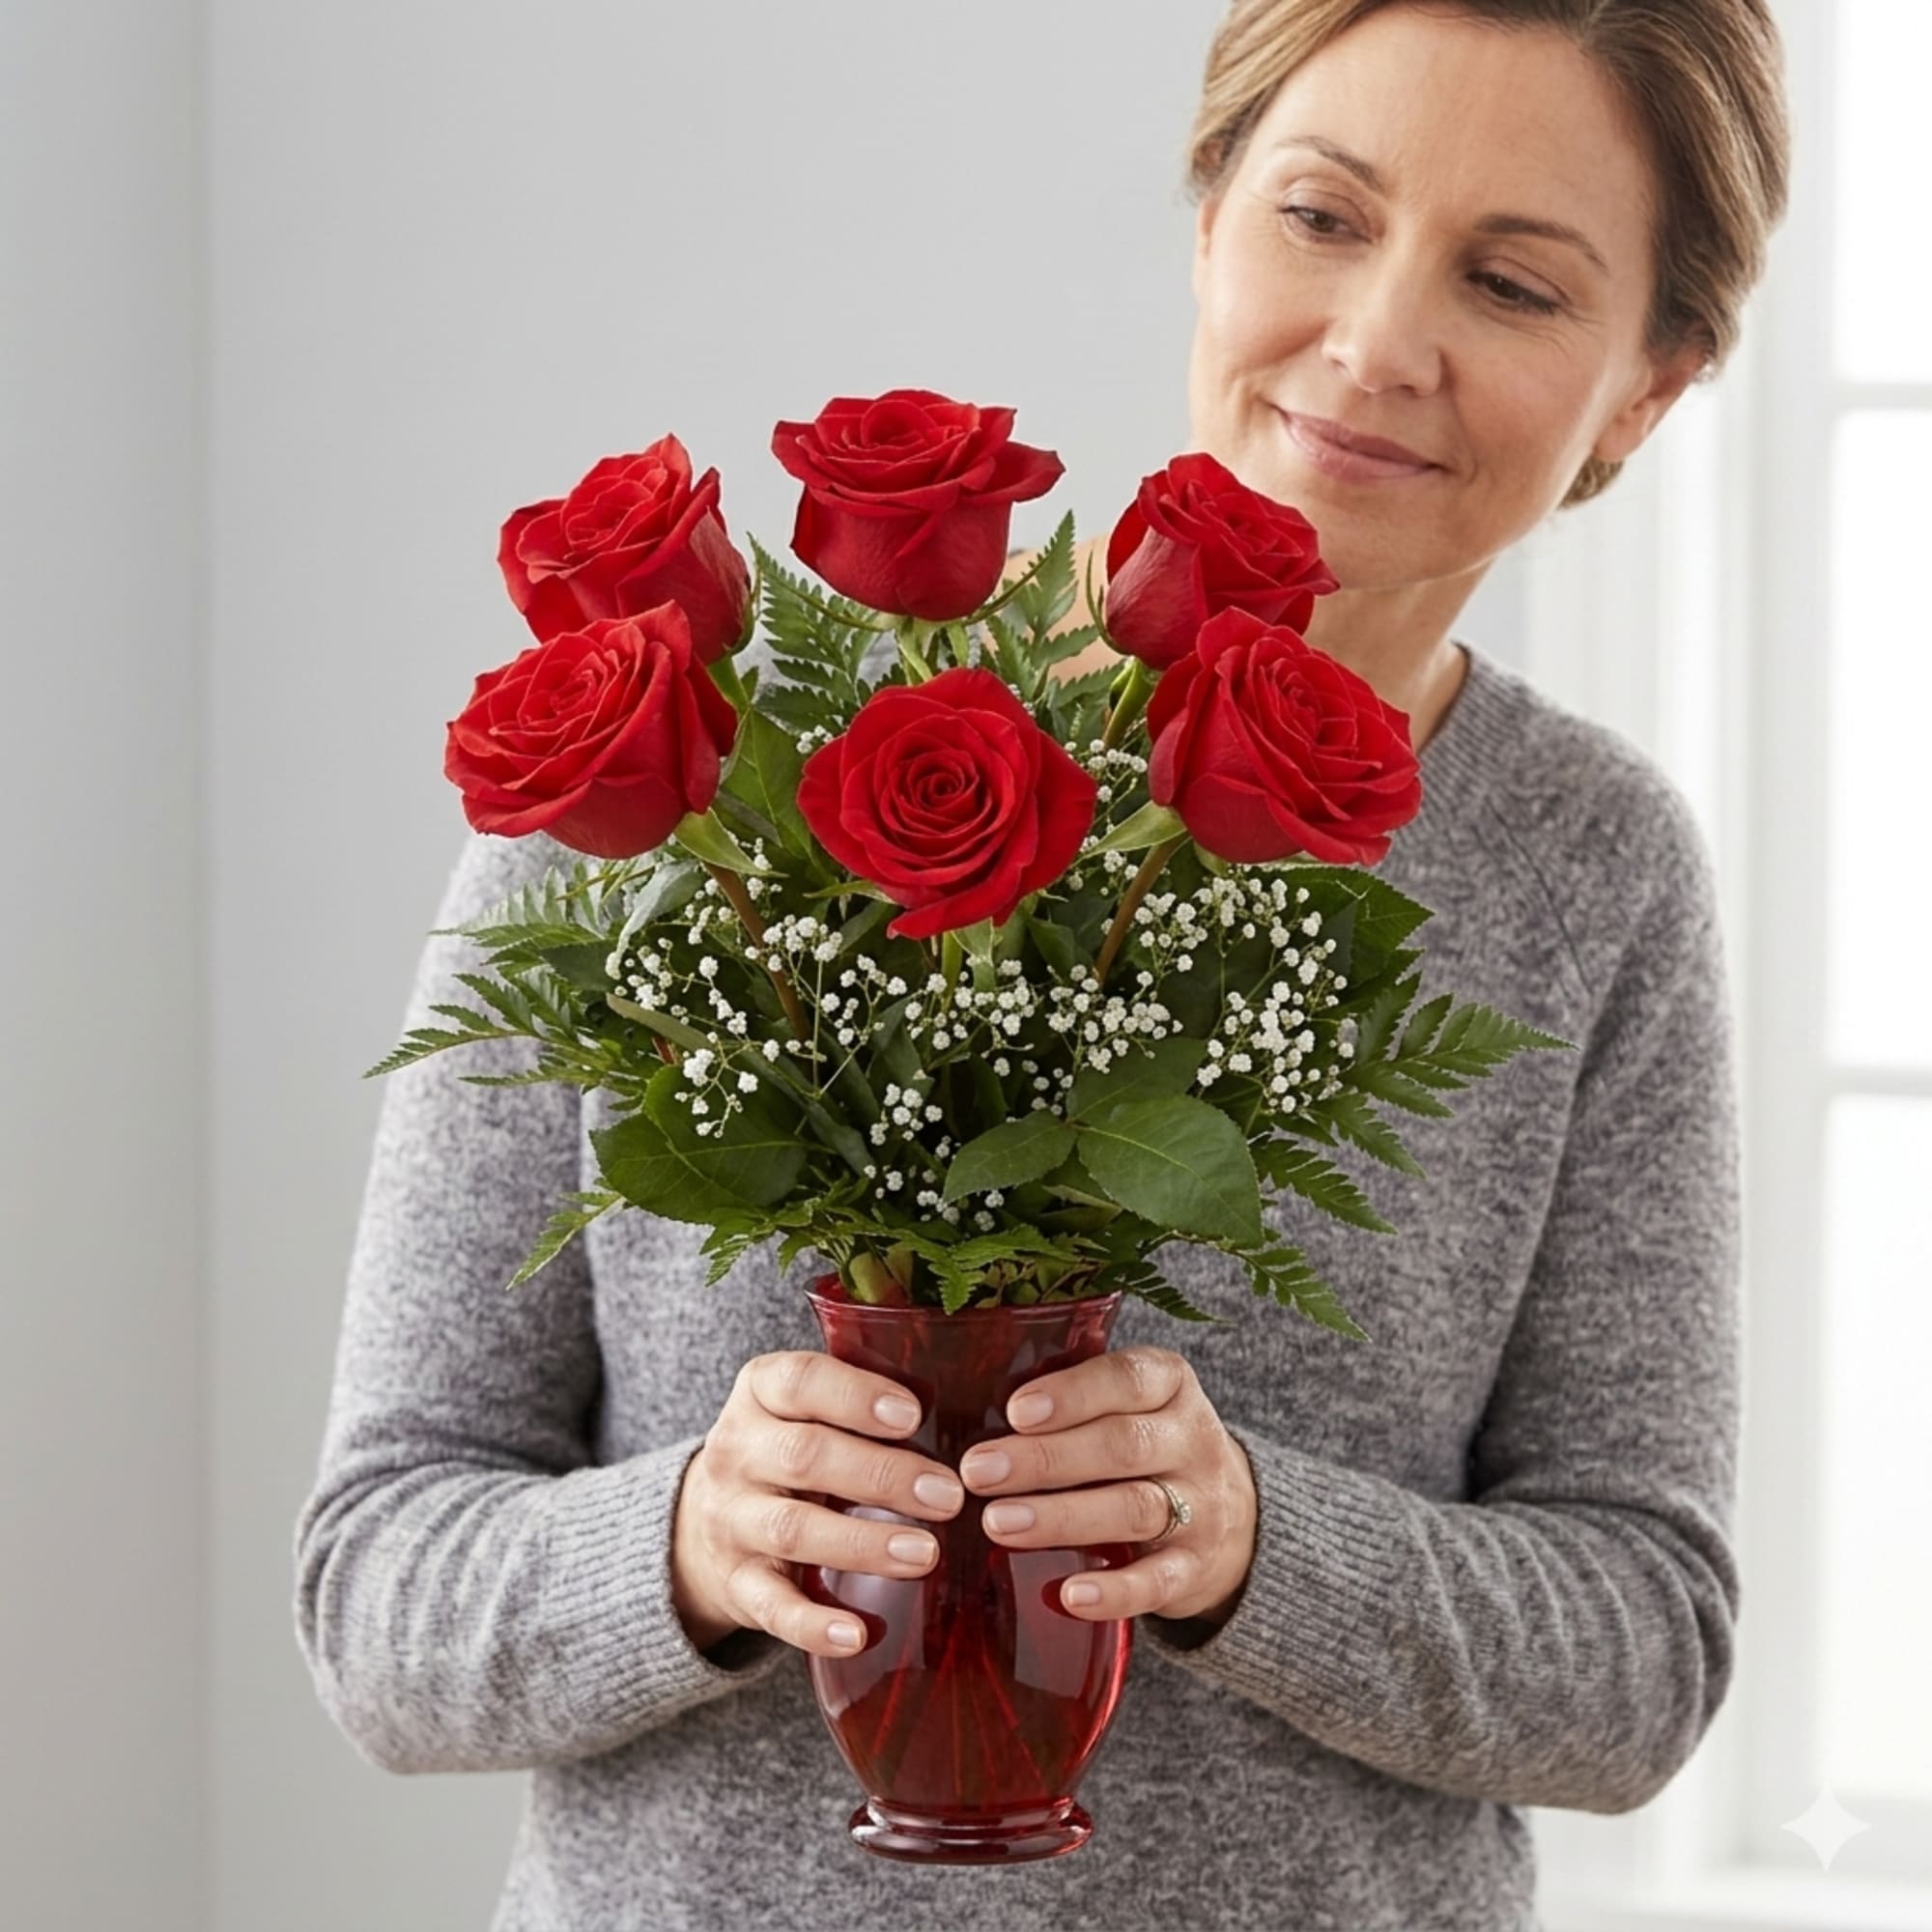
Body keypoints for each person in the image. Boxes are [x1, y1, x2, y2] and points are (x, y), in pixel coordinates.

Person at [293, 4, 1790, 1927]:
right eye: (1322, 217)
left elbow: (1641, 1655)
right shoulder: (662, 779)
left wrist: (1261, 1544)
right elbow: (374, 1598)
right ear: (1209, 216)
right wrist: (682, 1540)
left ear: (1649, 385)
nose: (1375, 342)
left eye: (1508, 281)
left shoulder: (1592, 870)